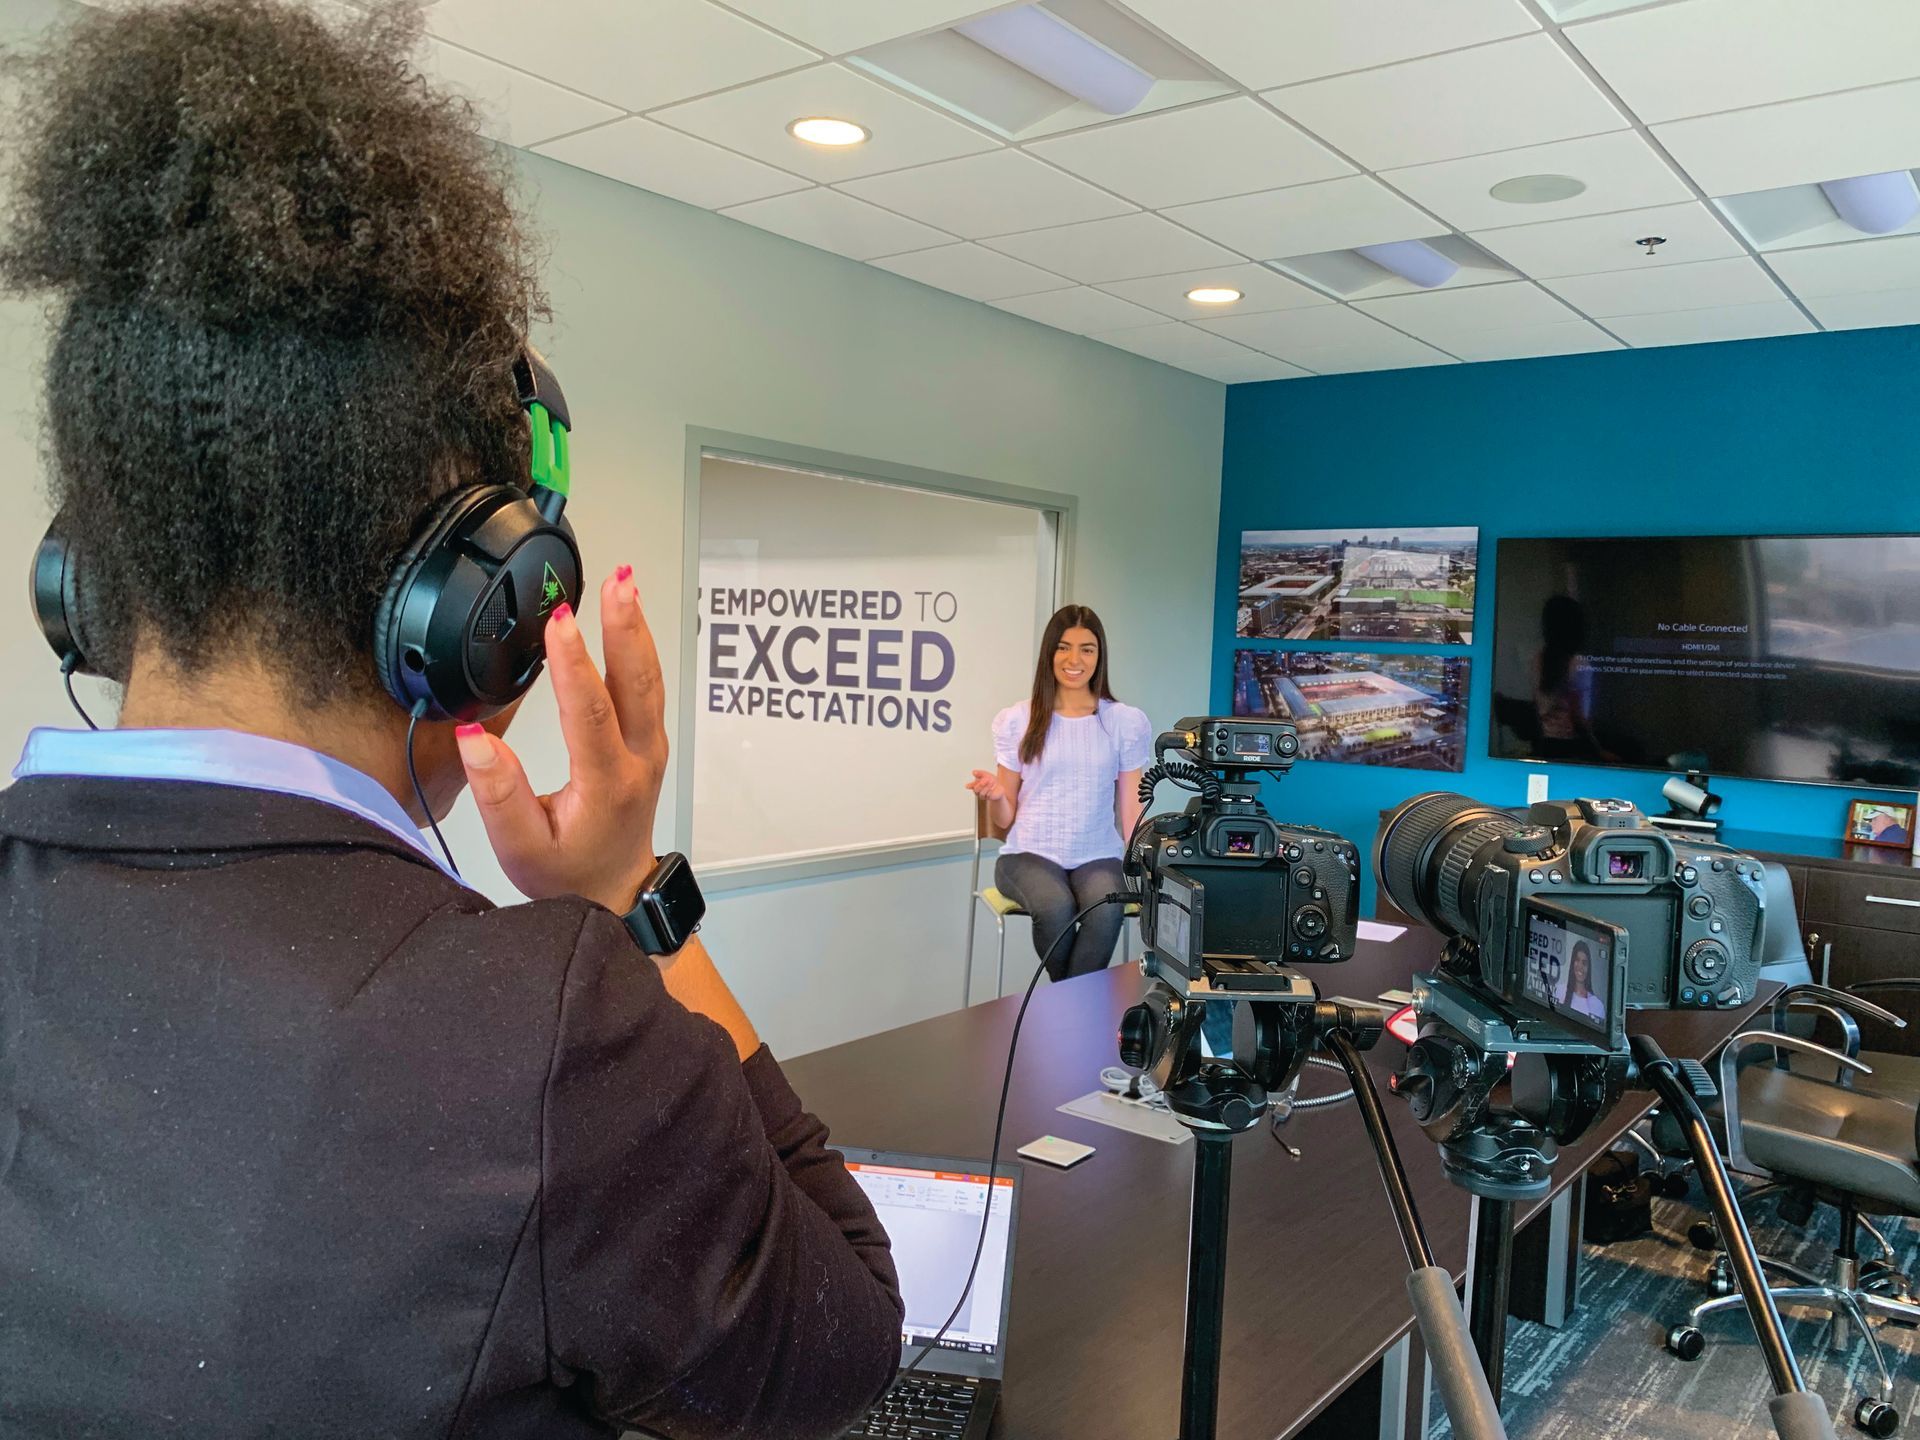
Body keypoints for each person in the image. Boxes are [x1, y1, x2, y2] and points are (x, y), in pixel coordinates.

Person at [0, 4, 901, 1436]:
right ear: (487, 605)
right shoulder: (539, 1032)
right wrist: (626, 892)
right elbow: (844, 1337)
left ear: (89, 576)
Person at [966, 606, 1151, 982]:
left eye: (1087, 649)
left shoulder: (1122, 722)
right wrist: (997, 795)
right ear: (1049, 652)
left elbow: (1132, 813)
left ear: (1099, 656)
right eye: (1064, 647)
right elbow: (1004, 818)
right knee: (1055, 908)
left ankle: (1061, 1005)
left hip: (1097, 855)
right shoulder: (1020, 720)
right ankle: (1076, 1006)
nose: (1074, 660)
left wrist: (1148, 865)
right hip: (1027, 855)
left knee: (1106, 909)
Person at [1562, 942, 1607, 1023]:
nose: (1580, 966)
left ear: (1589, 968)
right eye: (1577, 960)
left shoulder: (1597, 1005)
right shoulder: (1560, 990)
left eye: (1584, 963)